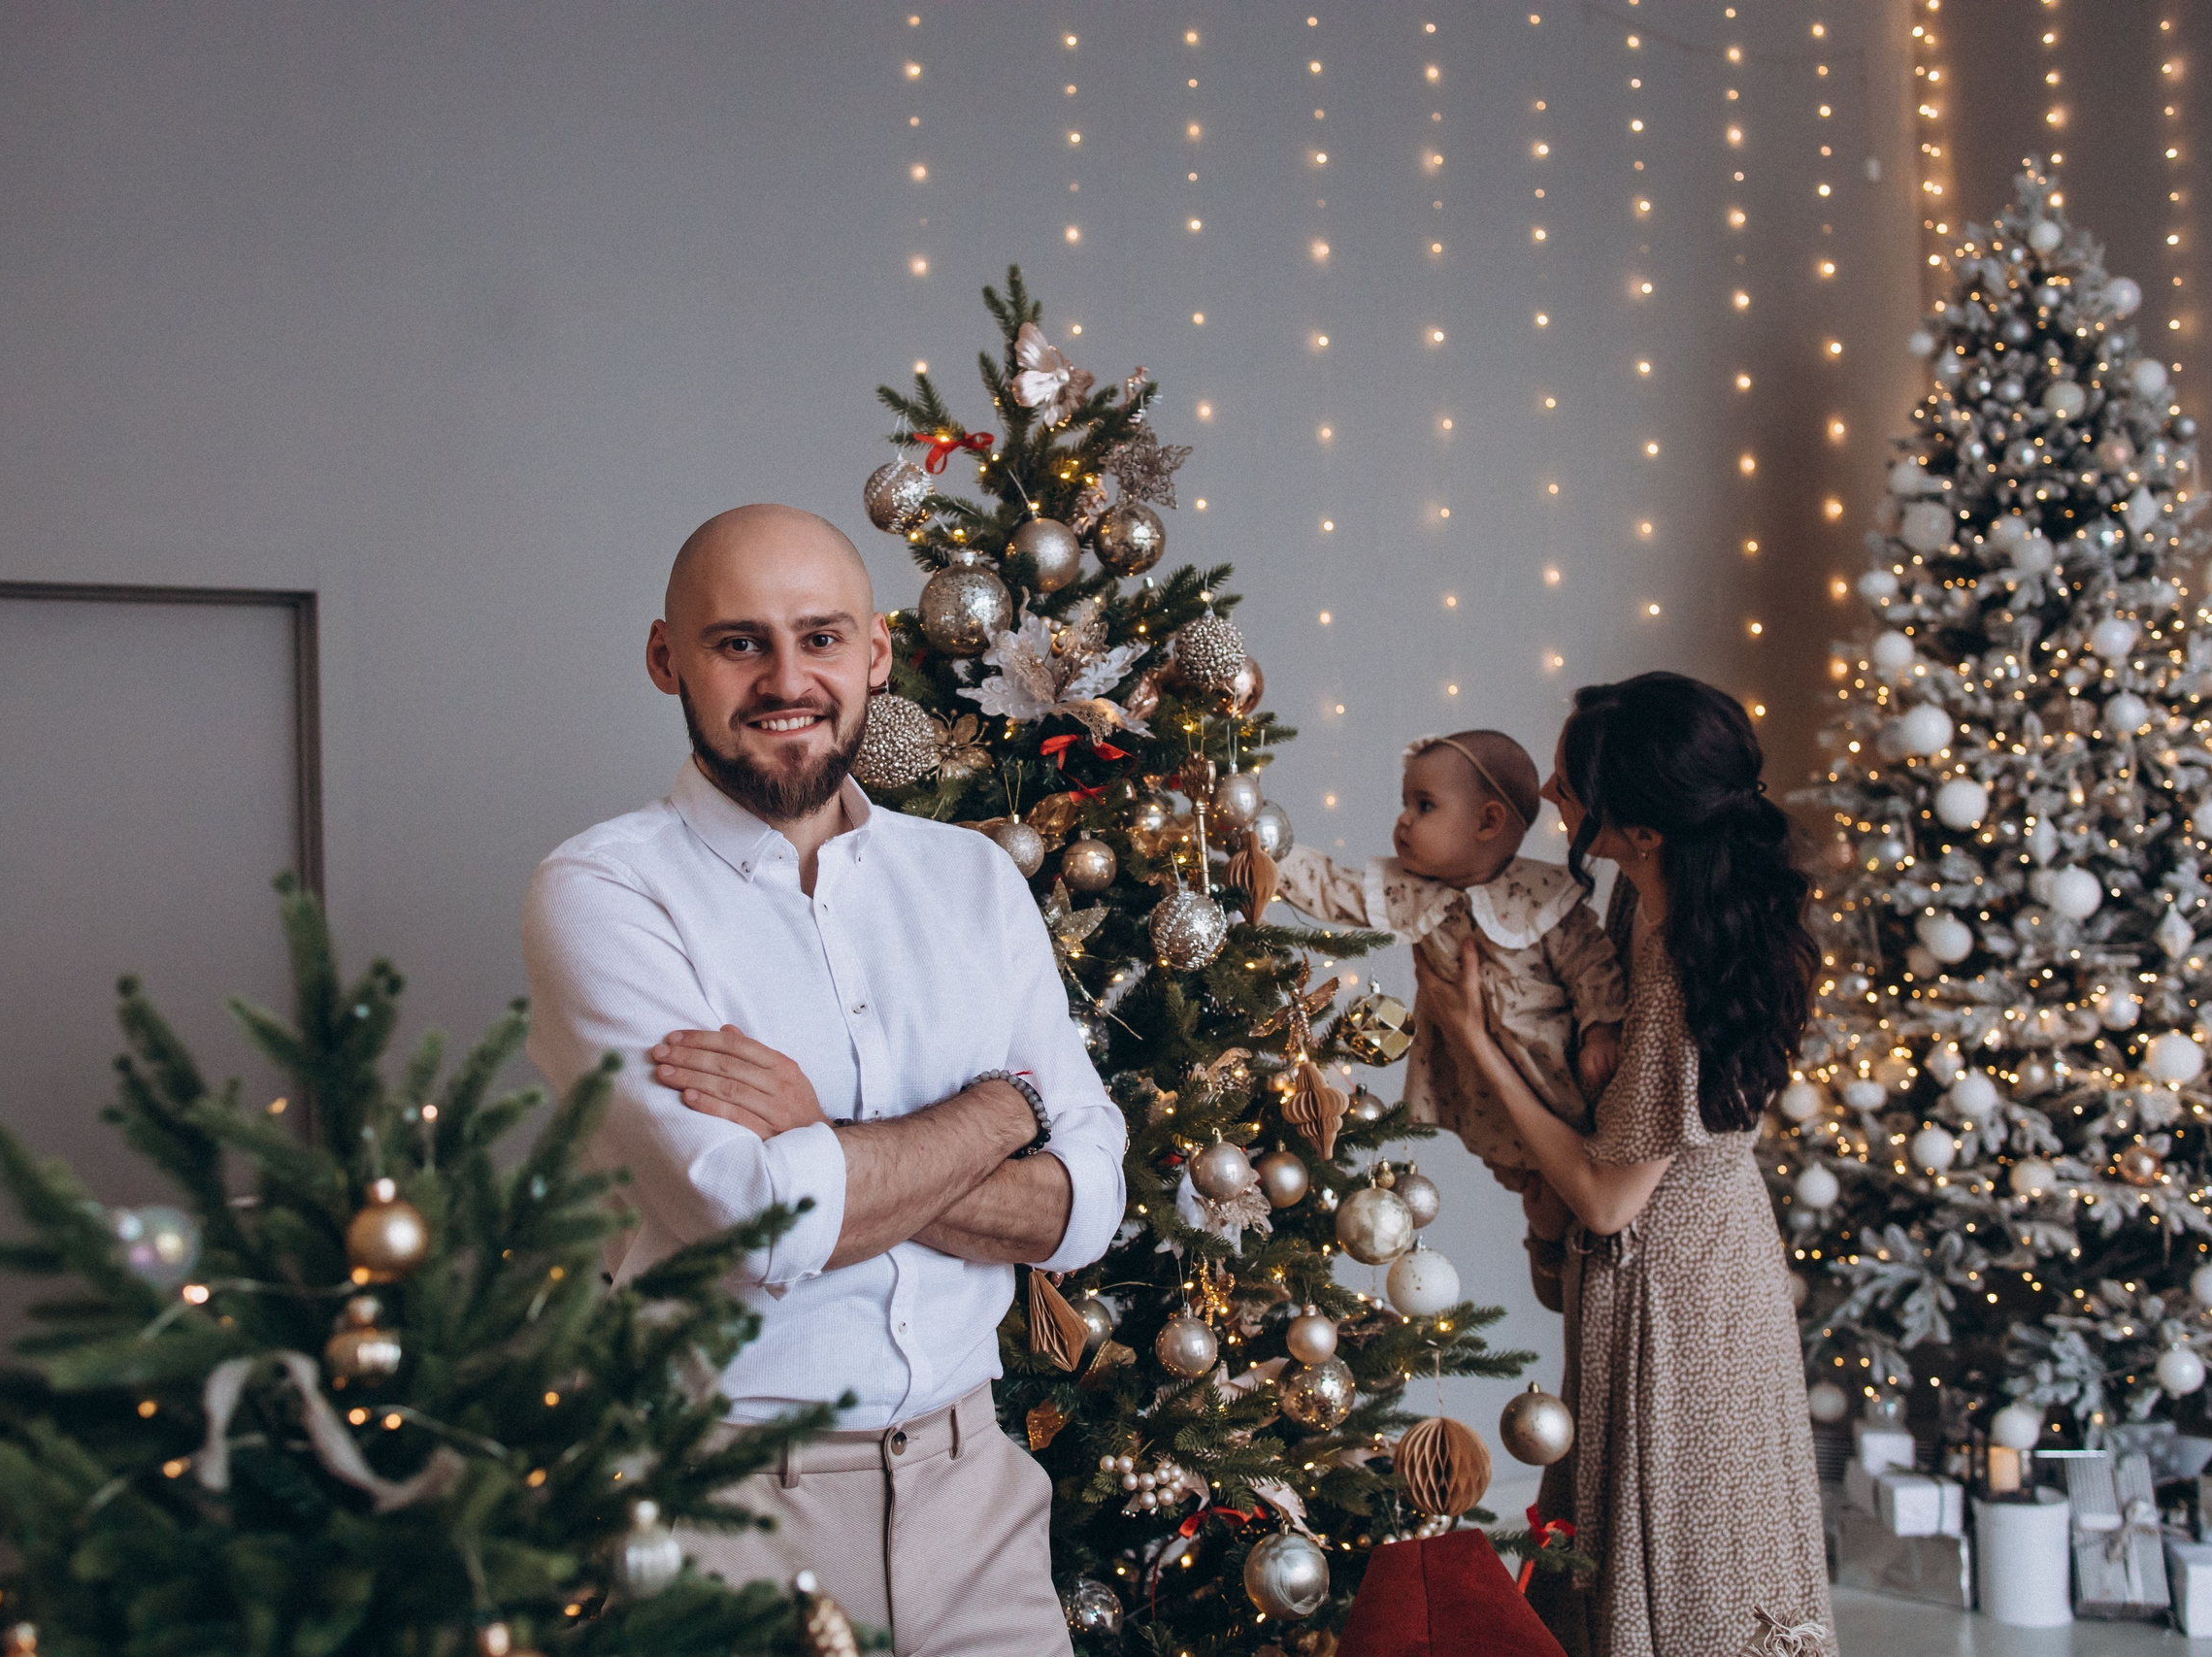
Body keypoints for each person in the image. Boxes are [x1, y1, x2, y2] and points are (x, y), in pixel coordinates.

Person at [519, 504, 1126, 1656]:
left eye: (821, 637)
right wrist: (1009, 1108)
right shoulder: (602, 892)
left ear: (878, 653)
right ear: (667, 659)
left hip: (975, 1496)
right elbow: (749, 1218)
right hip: (727, 1504)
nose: (786, 678)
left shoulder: (972, 883)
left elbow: (1084, 1208)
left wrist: (826, 1138)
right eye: (739, 641)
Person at [1408, 673, 1832, 1657]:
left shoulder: (1682, 967)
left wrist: (1476, 1044)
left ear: (1642, 829)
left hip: (1684, 1302)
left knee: (1694, 1565)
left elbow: (1606, 1194)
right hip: (1694, 1267)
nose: (1550, 794)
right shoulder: (1647, 907)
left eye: (1568, 783)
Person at [1272, 728, 1625, 1308]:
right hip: (1484, 1088)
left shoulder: (1540, 895)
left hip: (1554, 1075)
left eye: (1425, 806)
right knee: (1529, 1181)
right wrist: (1269, 858)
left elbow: (1592, 964)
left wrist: (1601, 1027)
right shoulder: (1413, 891)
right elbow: (1335, 889)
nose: (1404, 821)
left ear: (1488, 822)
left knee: (1563, 1184)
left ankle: (1559, 1257)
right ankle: (1551, 1246)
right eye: (1406, 804)